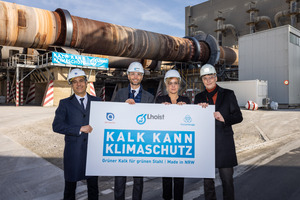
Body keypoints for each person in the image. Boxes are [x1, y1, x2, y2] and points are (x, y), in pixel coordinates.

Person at [194, 64, 243, 200]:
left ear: (216, 77)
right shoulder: (199, 98)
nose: (208, 80)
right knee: (208, 184)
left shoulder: (228, 94)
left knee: (227, 182)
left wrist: (224, 118)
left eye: (211, 77)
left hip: (224, 145)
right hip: (206, 147)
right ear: (202, 80)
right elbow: (194, 122)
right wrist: (198, 111)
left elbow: (239, 116)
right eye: (205, 78)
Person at [52, 68, 101, 200]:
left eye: (81, 81)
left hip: (92, 152)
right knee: (70, 188)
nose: (78, 84)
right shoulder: (65, 104)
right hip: (73, 152)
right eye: (74, 82)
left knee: (93, 187)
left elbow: (110, 117)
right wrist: (79, 129)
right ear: (71, 85)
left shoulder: (98, 102)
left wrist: (126, 105)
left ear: (86, 82)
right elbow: (56, 126)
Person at [112, 62, 154, 200]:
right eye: (133, 74)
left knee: (138, 181)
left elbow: (152, 121)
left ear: (142, 77)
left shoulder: (149, 97)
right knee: (119, 180)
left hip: (140, 144)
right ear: (128, 76)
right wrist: (123, 107)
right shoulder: (120, 94)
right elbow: (112, 116)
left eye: (138, 74)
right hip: (123, 142)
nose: (135, 76)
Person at [155, 69, 190, 200]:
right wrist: (161, 109)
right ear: (166, 84)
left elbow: (193, 120)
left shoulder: (186, 100)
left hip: (180, 144)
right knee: (167, 179)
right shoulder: (160, 100)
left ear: (179, 84)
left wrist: (186, 109)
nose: (173, 86)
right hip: (165, 144)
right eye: (170, 83)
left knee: (179, 178)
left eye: (176, 83)